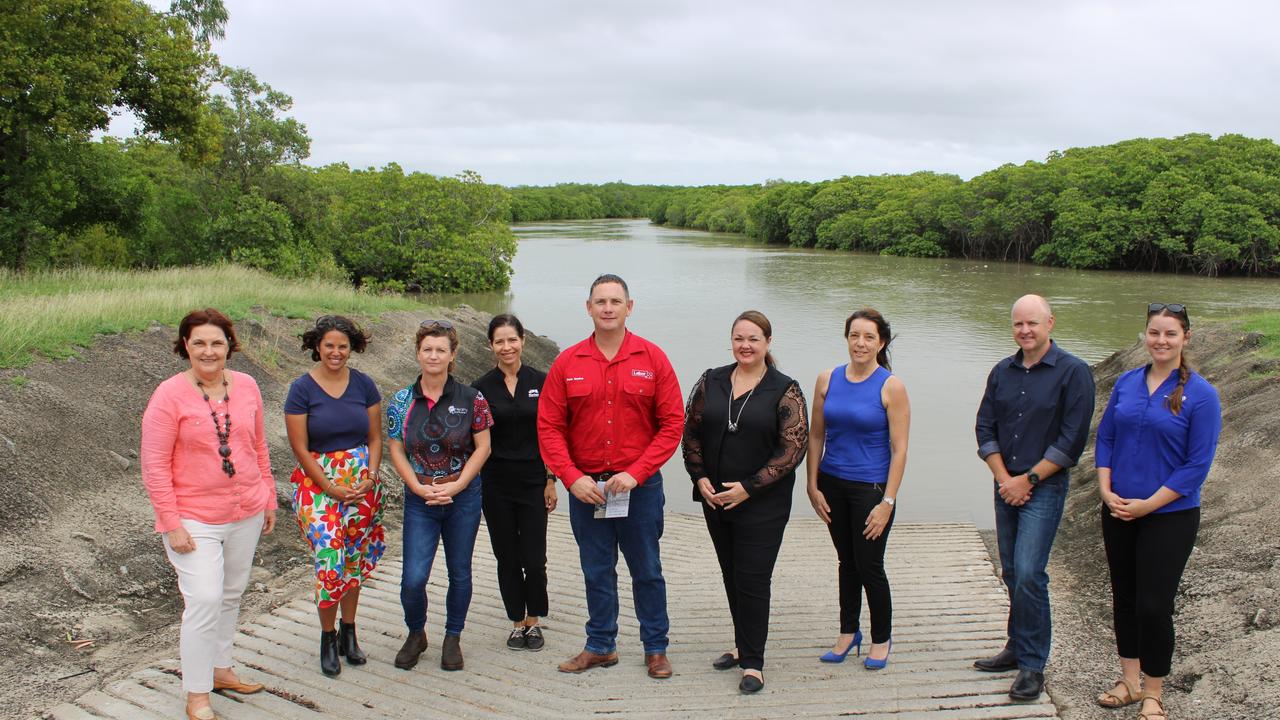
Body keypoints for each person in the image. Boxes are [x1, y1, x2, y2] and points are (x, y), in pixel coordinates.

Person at [538, 274, 684, 679]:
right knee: (596, 569)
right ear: (588, 308)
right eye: (600, 301)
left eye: (615, 301)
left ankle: (655, 647)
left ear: (629, 307)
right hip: (588, 489)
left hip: (638, 489)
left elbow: (672, 424)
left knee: (647, 569)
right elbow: (549, 427)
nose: (607, 308)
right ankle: (601, 645)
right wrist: (570, 477)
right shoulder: (568, 362)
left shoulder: (652, 359)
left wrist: (637, 473)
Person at [140, 308, 276, 720]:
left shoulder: (248, 386)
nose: (208, 350)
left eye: (216, 342)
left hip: (246, 511)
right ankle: (196, 694)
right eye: (198, 342)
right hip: (193, 517)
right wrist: (171, 522)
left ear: (229, 347)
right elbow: (154, 464)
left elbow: (258, 446)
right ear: (185, 346)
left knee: (231, 595)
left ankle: (221, 669)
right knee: (205, 599)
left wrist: (268, 496)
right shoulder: (169, 394)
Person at [1093, 303, 1220, 720]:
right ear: (1145, 336)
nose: (1161, 341)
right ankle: (1128, 681)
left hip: (1170, 515)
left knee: (1154, 605)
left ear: (1186, 338)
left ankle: (1153, 692)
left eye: (1170, 334)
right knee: (1124, 600)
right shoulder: (1128, 383)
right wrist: (1106, 489)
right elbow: (1107, 437)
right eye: (1154, 333)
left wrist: (1149, 504)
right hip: (1117, 509)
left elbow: (1196, 465)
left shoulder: (1201, 394)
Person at [974, 294, 1095, 701]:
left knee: (1029, 572)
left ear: (1050, 323)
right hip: (1005, 482)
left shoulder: (1073, 372)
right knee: (1010, 570)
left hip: (1044, 486)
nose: (1025, 331)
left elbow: (1071, 440)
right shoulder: (1002, 371)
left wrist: (1027, 479)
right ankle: (1015, 645)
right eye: (1018, 324)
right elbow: (984, 426)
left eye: (1033, 323)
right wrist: (1005, 478)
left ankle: (1032, 665)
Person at [682, 310, 808, 693]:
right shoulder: (712, 380)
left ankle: (753, 664)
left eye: (753, 339)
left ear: (768, 343)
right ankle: (741, 644)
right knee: (731, 574)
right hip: (716, 499)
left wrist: (749, 488)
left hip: (762, 504)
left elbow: (793, 448)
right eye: (739, 338)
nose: (745, 345)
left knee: (753, 579)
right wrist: (699, 477)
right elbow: (691, 433)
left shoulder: (784, 388)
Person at [386, 320, 493, 672]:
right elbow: (396, 449)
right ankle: (417, 633)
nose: (433, 355)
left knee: (459, 571)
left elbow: (483, 448)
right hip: (420, 495)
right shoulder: (402, 401)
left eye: (440, 350)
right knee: (413, 578)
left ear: (452, 354)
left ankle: (453, 636)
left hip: (462, 495)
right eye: (427, 349)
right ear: (418, 353)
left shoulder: (472, 399)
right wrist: (416, 487)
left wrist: (459, 484)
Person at [807, 308, 910, 671]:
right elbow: (816, 434)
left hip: (871, 488)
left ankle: (881, 637)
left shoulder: (890, 386)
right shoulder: (827, 379)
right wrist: (812, 484)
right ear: (846, 338)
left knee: (869, 565)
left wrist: (888, 502)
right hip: (832, 483)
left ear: (881, 342)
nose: (860, 343)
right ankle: (848, 632)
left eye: (868, 337)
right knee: (846, 562)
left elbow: (900, 450)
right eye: (854, 335)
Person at [284, 315, 385, 676]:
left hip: (360, 484)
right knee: (331, 559)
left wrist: (371, 478)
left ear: (352, 348)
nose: (336, 352)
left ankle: (349, 631)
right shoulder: (301, 389)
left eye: (343, 346)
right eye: (329, 345)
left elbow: (375, 438)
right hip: (318, 485)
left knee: (353, 560)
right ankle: (327, 637)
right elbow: (300, 448)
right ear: (317, 347)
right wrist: (329, 487)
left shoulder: (364, 385)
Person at [471, 313, 557, 652]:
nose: (506, 347)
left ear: (522, 341)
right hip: (495, 483)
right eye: (499, 341)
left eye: (512, 339)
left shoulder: (543, 380)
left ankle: (534, 620)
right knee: (506, 556)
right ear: (491, 345)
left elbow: (551, 434)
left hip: (535, 480)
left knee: (534, 559)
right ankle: (517, 622)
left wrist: (551, 480)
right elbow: (477, 438)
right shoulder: (480, 388)